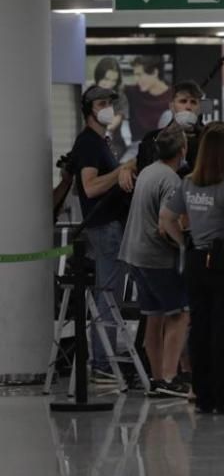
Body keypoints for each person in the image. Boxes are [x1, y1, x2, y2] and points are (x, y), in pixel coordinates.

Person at [159, 122, 224, 414]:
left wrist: (184, 243)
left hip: (197, 262)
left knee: (201, 329)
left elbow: (166, 217)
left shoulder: (188, 183)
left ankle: (204, 395)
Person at [119, 123, 190, 398]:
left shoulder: (148, 171)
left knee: (153, 316)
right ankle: (171, 377)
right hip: (156, 258)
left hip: (134, 255)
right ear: (183, 150)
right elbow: (165, 223)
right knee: (179, 314)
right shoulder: (171, 180)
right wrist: (183, 243)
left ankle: (157, 377)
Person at [73, 85, 137, 381]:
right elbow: (90, 187)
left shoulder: (101, 142)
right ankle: (102, 361)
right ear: (89, 110)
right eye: (101, 103)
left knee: (110, 293)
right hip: (104, 226)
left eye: (110, 102)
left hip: (113, 225)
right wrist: (122, 169)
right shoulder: (88, 143)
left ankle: (104, 357)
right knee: (108, 294)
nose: (107, 107)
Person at [135, 80, 205, 174]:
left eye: (193, 102)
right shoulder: (151, 138)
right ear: (172, 106)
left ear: (199, 108)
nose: (188, 106)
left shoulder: (208, 139)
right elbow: (144, 171)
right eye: (183, 101)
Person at [124, 55, 171, 144]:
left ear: (154, 72)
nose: (136, 79)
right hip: (138, 147)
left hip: (164, 148)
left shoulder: (174, 96)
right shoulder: (132, 92)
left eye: (139, 75)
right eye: (135, 75)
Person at [93, 56, 129, 158]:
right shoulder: (88, 94)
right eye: (106, 79)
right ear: (98, 76)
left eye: (114, 80)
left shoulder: (120, 97)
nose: (109, 84)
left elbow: (112, 124)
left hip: (115, 146)